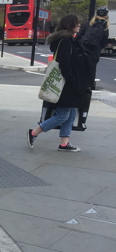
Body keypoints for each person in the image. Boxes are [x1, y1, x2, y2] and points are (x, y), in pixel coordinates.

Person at [27, 14, 90, 152]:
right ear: (70, 25)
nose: (79, 26)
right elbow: (65, 64)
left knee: (71, 114)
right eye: (77, 23)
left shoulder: (69, 40)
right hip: (66, 85)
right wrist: (72, 80)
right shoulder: (65, 41)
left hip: (70, 83)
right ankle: (33, 133)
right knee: (62, 115)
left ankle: (64, 143)